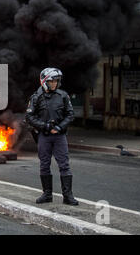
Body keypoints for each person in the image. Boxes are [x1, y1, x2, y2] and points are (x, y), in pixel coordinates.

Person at [25, 67, 79, 205]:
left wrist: (60, 127)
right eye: (52, 81)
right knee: (44, 164)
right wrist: (45, 126)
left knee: (64, 165)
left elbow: (70, 114)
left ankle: (68, 196)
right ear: (44, 81)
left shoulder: (63, 96)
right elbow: (30, 117)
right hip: (44, 136)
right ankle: (47, 194)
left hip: (60, 136)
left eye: (56, 81)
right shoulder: (36, 97)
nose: (54, 83)